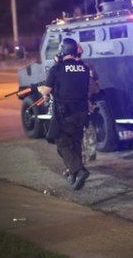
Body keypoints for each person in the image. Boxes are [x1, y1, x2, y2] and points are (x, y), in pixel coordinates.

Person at [38, 38, 91, 190]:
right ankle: (74, 175)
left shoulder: (57, 68)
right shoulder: (84, 68)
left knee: (61, 143)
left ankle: (79, 171)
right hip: (81, 113)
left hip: (65, 113)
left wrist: (40, 89)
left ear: (62, 50)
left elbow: (46, 90)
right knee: (75, 144)